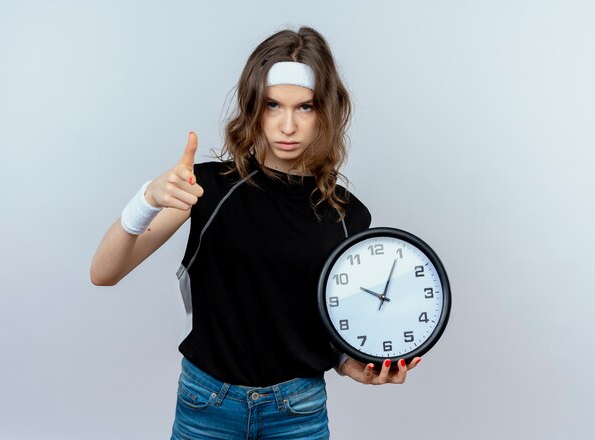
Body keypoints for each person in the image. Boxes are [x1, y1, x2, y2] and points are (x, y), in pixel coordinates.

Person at [90, 26, 421, 440]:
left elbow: (321, 318)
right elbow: (103, 272)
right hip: (207, 404)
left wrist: (348, 362)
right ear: (253, 106)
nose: (287, 125)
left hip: (298, 411)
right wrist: (147, 199)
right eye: (272, 105)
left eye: (305, 107)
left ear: (327, 111)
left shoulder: (348, 216)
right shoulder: (204, 188)